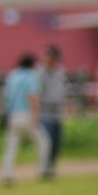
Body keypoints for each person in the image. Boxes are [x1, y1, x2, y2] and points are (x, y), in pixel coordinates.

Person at [0, 53, 51, 186]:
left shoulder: (12, 76)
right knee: (43, 142)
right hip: (27, 114)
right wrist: (37, 114)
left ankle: (7, 174)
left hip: (13, 115)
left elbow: (6, 98)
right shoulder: (31, 77)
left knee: (11, 146)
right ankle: (43, 170)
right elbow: (33, 96)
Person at [39, 45, 66, 178]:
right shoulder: (40, 73)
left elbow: (61, 91)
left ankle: (51, 168)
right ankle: (44, 169)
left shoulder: (59, 73)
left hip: (57, 113)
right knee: (46, 143)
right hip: (45, 113)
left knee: (56, 143)